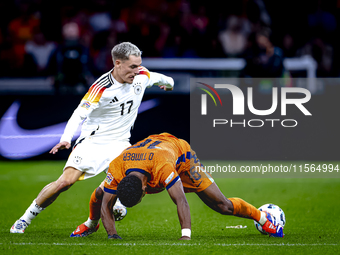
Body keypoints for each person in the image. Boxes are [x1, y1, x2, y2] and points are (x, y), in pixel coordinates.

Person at [10, 42, 174, 234]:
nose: (137, 70)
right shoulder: (100, 88)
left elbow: (163, 78)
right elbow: (78, 114)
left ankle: (101, 216)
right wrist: (66, 138)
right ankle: (24, 219)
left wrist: (167, 85)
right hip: (93, 141)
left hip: (120, 144)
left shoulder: (141, 76)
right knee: (65, 182)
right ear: (118, 63)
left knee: (133, 175)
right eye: (132, 66)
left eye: (139, 65)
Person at [100, 133, 284, 240]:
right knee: (104, 195)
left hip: (183, 158)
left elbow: (180, 199)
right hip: (152, 155)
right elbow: (105, 203)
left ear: (144, 187)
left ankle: (264, 218)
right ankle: (90, 226)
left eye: (142, 196)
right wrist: (112, 235)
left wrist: (185, 235)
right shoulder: (116, 167)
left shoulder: (162, 167)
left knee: (222, 205)